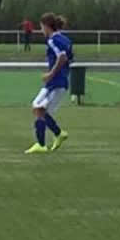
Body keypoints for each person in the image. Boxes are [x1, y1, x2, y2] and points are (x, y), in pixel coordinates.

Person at [24, 13, 72, 154]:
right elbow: (69, 58)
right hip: (58, 82)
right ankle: (58, 134)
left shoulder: (52, 40)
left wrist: (51, 74)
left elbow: (62, 57)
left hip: (56, 82)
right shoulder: (65, 39)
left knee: (39, 108)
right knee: (39, 109)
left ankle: (42, 144)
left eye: (41, 27)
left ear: (46, 26)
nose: (41, 31)